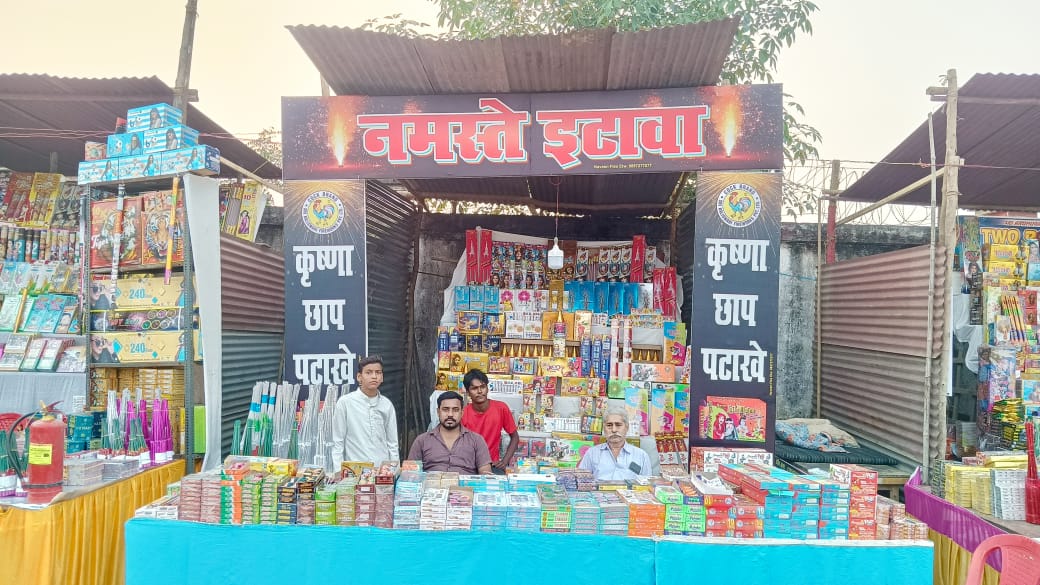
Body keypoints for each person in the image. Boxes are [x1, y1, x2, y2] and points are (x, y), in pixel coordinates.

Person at [331, 355, 400, 472]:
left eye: (378, 372)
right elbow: (337, 443)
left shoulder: (387, 405)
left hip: (381, 472)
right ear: (359, 377)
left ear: (382, 377)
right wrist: (339, 473)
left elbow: (392, 444)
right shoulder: (345, 403)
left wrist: (394, 473)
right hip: (354, 473)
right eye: (368, 372)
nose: (374, 376)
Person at [408, 391, 492, 474]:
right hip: (431, 482)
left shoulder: (477, 440)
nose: (450, 414)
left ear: (462, 413)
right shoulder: (422, 441)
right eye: (445, 409)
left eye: (455, 410)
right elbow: (410, 473)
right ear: (438, 412)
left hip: (465, 482)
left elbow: (486, 474)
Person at [460, 369, 519, 472]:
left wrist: (504, 461)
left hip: (492, 465)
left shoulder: (501, 408)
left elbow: (515, 437)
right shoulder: (463, 413)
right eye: (474, 388)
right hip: (468, 465)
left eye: (483, 387)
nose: (479, 391)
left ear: (487, 388)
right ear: (468, 392)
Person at [578, 408, 651, 481]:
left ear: (627, 427)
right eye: (609, 425)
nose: (614, 430)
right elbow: (581, 481)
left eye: (618, 425)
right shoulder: (592, 453)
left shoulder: (641, 456)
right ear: (604, 429)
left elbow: (647, 484)